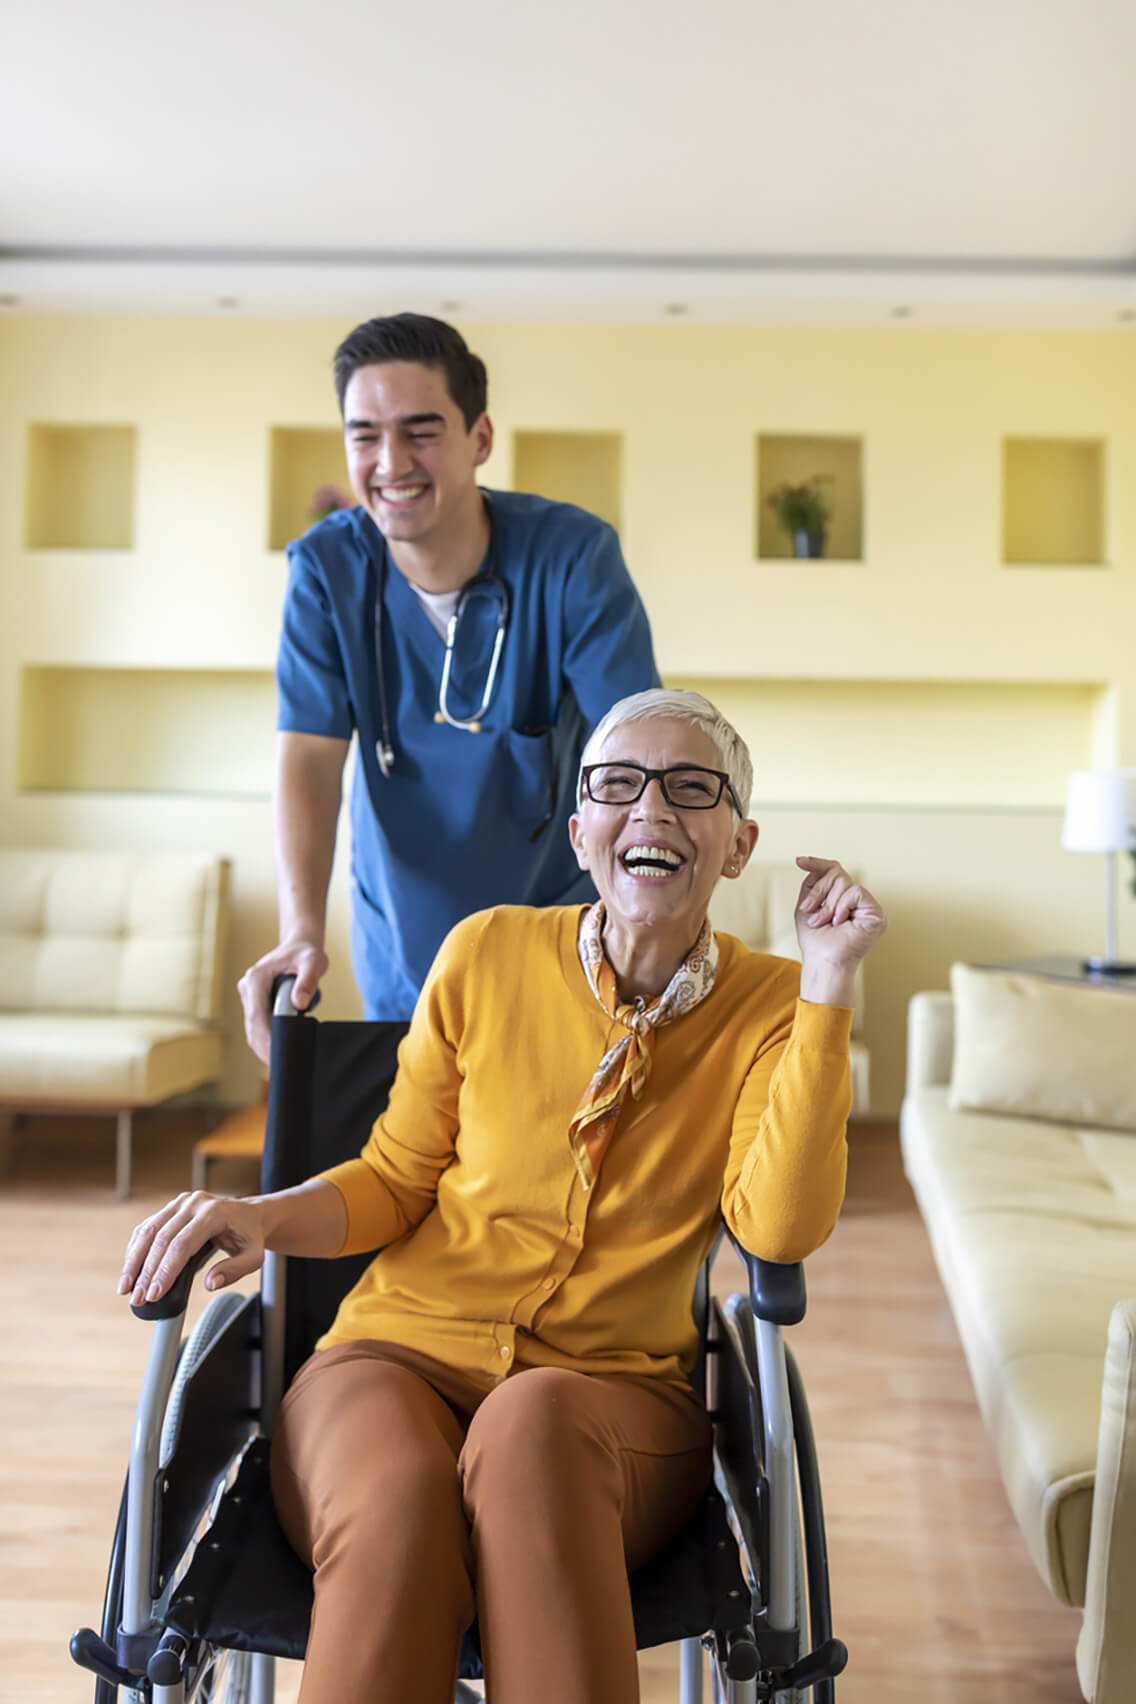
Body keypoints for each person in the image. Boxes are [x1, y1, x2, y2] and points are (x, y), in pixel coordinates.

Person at [122, 687, 887, 1704]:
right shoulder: (484, 953)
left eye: (689, 789)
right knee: (397, 1499)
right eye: (617, 785)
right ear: (580, 832)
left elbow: (776, 1227)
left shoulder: (771, 1011)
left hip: (611, 1402)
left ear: (737, 844)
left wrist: (828, 989)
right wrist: (261, 1217)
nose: (651, 810)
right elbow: (396, 1178)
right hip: (391, 1358)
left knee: (530, 1428)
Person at [238, 312, 660, 1063]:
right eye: (364, 434)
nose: (390, 461)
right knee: (414, 1164)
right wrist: (300, 932)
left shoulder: (572, 558)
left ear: (481, 439)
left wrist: (644, 926)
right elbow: (308, 758)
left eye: (421, 431)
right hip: (402, 943)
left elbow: (633, 757)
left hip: (559, 935)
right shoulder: (327, 572)